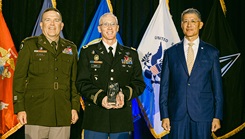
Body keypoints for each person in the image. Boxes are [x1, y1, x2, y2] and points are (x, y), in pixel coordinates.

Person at [13, 8, 80, 139]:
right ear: (41, 24)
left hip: (62, 112)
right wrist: (20, 108)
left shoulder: (70, 48)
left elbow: (74, 81)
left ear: (62, 25)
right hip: (37, 111)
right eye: (48, 20)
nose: (52, 24)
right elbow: (19, 79)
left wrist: (74, 107)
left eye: (56, 20)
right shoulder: (29, 45)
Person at [76, 13, 145, 139]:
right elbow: (81, 83)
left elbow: (139, 84)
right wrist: (101, 97)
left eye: (112, 24)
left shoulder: (131, 54)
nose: (109, 27)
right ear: (99, 28)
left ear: (117, 28)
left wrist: (123, 94)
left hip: (121, 120)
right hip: (95, 119)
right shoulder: (87, 52)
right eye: (105, 24)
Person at [159, 8, 223, 139]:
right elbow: (164, 87)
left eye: (193, 21)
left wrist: (217, 116)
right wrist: (164, 115)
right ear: (181, 25)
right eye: (185, 21)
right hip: (177, 114)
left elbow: (217, 87)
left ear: (200, 24)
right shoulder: (171, 53)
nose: (189, 25)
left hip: (203, 114)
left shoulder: (212, 53)